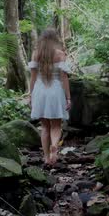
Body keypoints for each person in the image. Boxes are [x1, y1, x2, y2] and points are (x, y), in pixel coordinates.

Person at [28, 28, 71, 166]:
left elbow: (33, 78)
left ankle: (46, 158)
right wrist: (68, 98)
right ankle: (55, 148)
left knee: (44, 127)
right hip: (55, 91)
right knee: (56, 126)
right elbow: (64, 78)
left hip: (40, 91)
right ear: (55, 40)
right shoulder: (60, 54)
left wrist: (30, 96)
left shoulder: (36, 54)